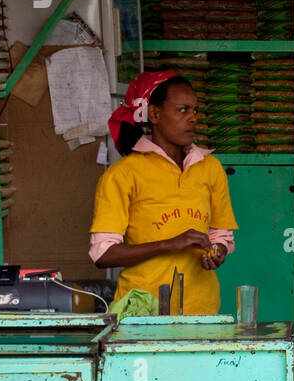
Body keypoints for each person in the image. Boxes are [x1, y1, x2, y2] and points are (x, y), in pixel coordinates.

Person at [90, 71, 237, 314]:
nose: (192, 118)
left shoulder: (210, 168)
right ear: (155, 115)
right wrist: (170, 244)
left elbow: (221, 233)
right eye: (182, 110)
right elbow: (103, 254)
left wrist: (218, 251)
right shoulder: (124, 174)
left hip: (202, 309)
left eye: (195, 110)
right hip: (142, 311)